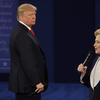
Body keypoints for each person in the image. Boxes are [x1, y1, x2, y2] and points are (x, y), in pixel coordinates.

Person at [9, 3, 48, 100]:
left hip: (26, 83)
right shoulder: (22, 34)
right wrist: (37, 82)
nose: (34, 17)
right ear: (21, 16)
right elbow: (27, 61)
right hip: (27, 85)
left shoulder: (23, 31)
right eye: (30, 15)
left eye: (35, 14)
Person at [77, 28, 100, 100]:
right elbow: (92, 85)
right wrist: (84, 73)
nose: (94, 45)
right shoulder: (96, 60)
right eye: (95, 42)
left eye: (97, 42)